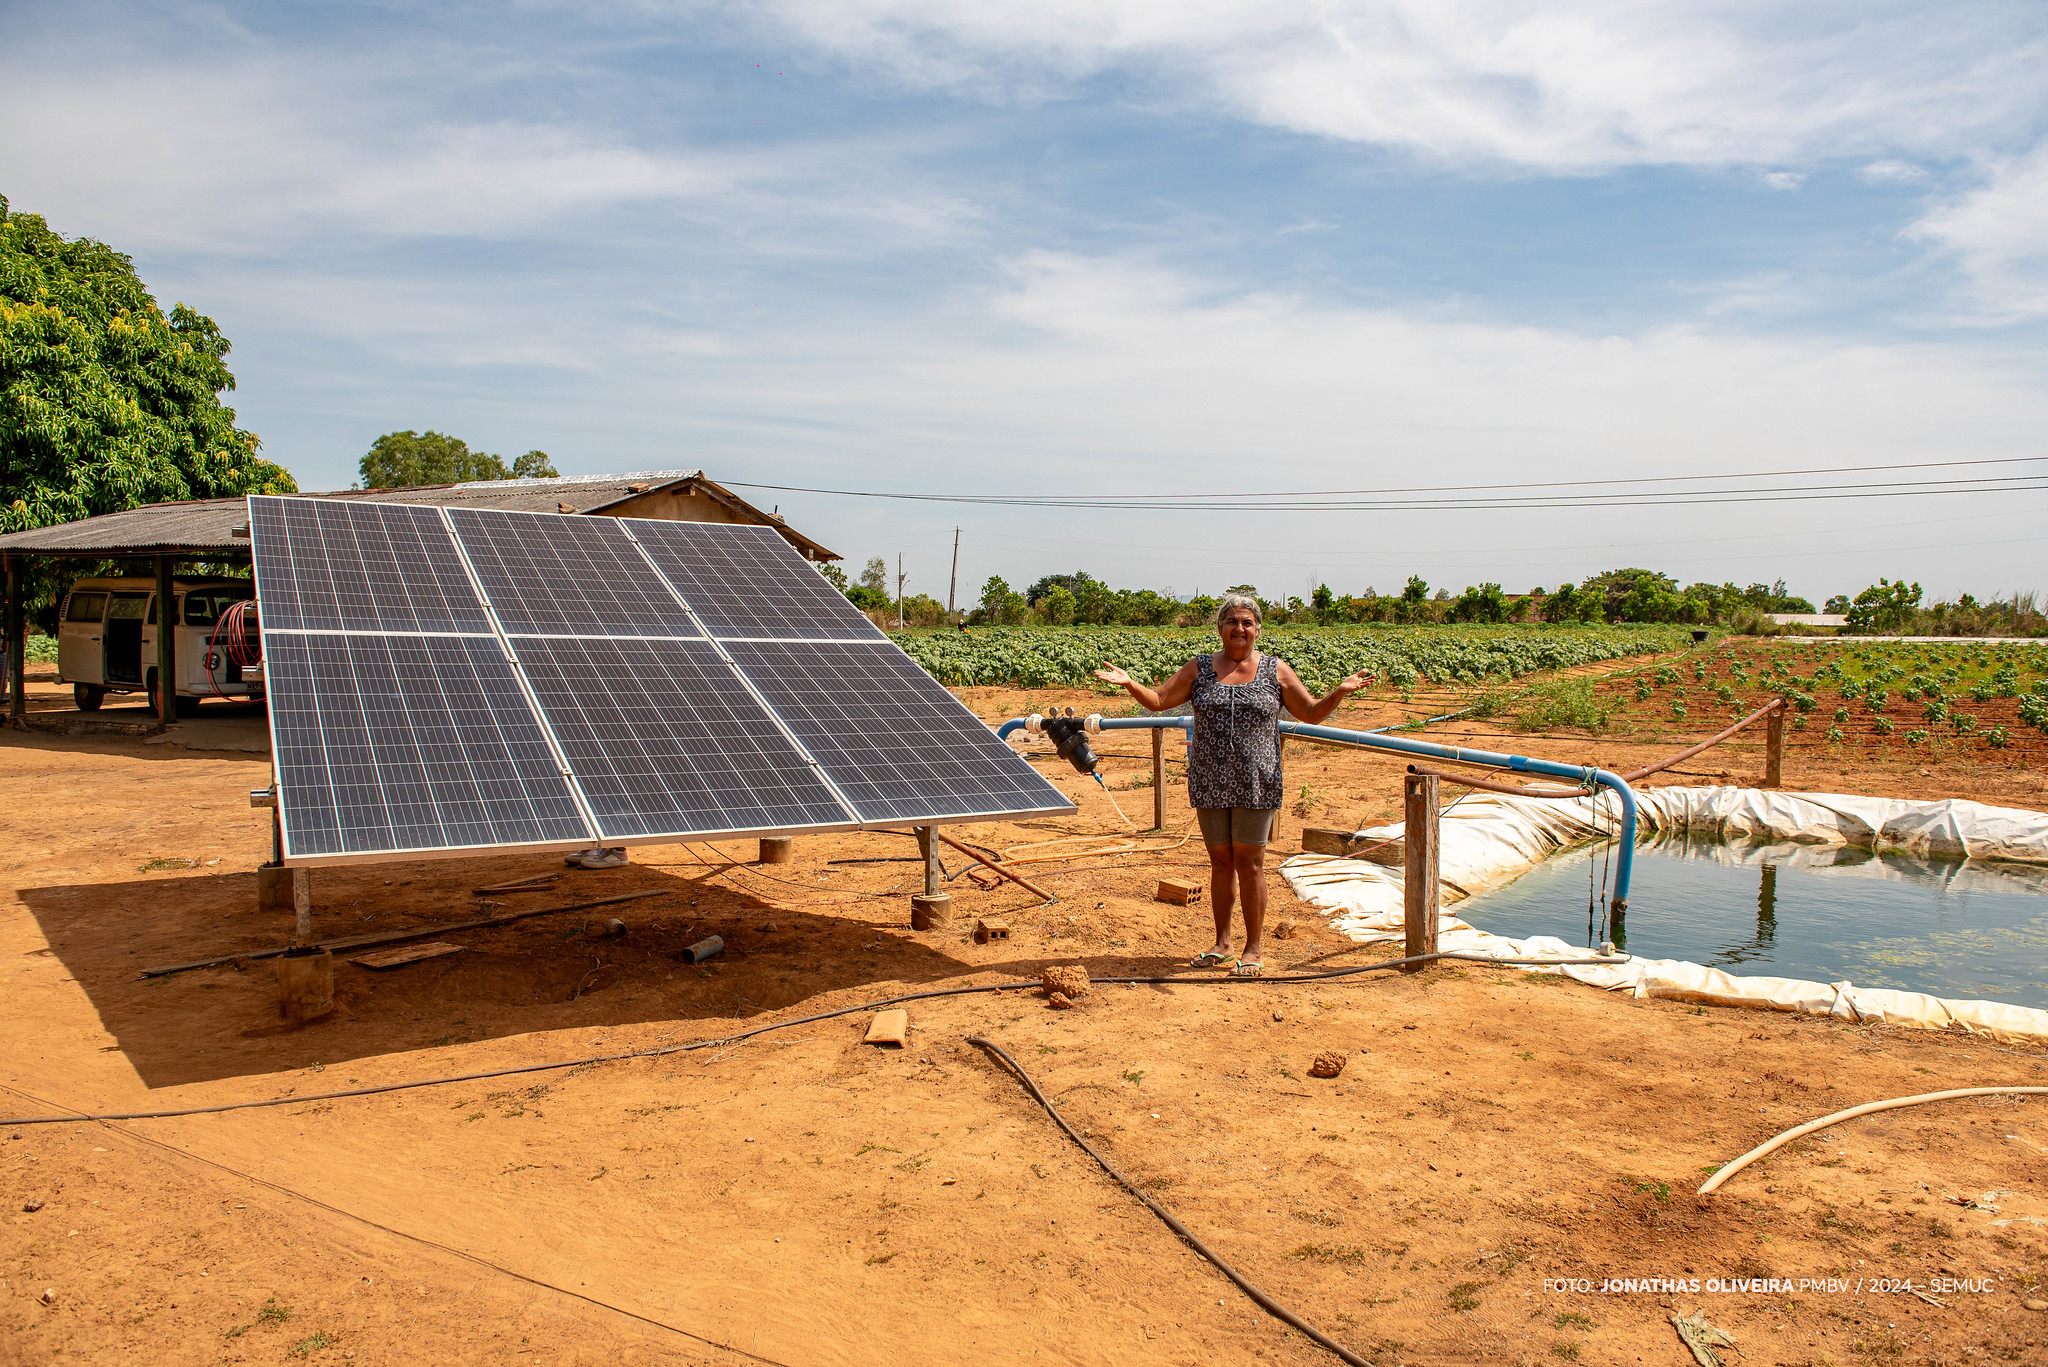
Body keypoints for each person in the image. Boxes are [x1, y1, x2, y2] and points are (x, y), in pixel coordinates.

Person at [1094, 594, 1371, 976]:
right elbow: (1159, 700)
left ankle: (1253, 949)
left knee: (1251, 864)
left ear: (1257, 629)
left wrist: (1338, 692)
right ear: (1221, 628)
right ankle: (1222, 943)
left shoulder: (1275, 670)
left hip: (1256, 781)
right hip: (1210, 780)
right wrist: (1129, 683)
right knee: (1221, 862)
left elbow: (1309, 712)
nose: (1239, 629)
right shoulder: (1200, 668)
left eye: (1247, 622)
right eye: (1232, 622)